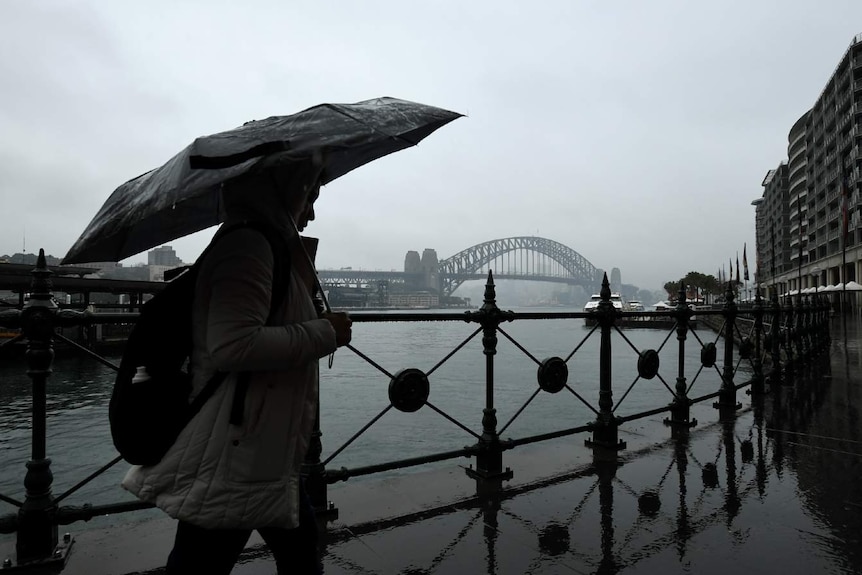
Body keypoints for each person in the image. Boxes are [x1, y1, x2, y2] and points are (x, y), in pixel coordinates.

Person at [121, 155, 352, 574]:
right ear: (286, 187)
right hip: (239, 445)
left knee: (296, 549)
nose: (312, 213)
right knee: (208, 560)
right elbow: (233, 345)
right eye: (309, 195)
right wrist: (325, 333)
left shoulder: (265, 243)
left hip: (258, 442)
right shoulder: (250, 245)